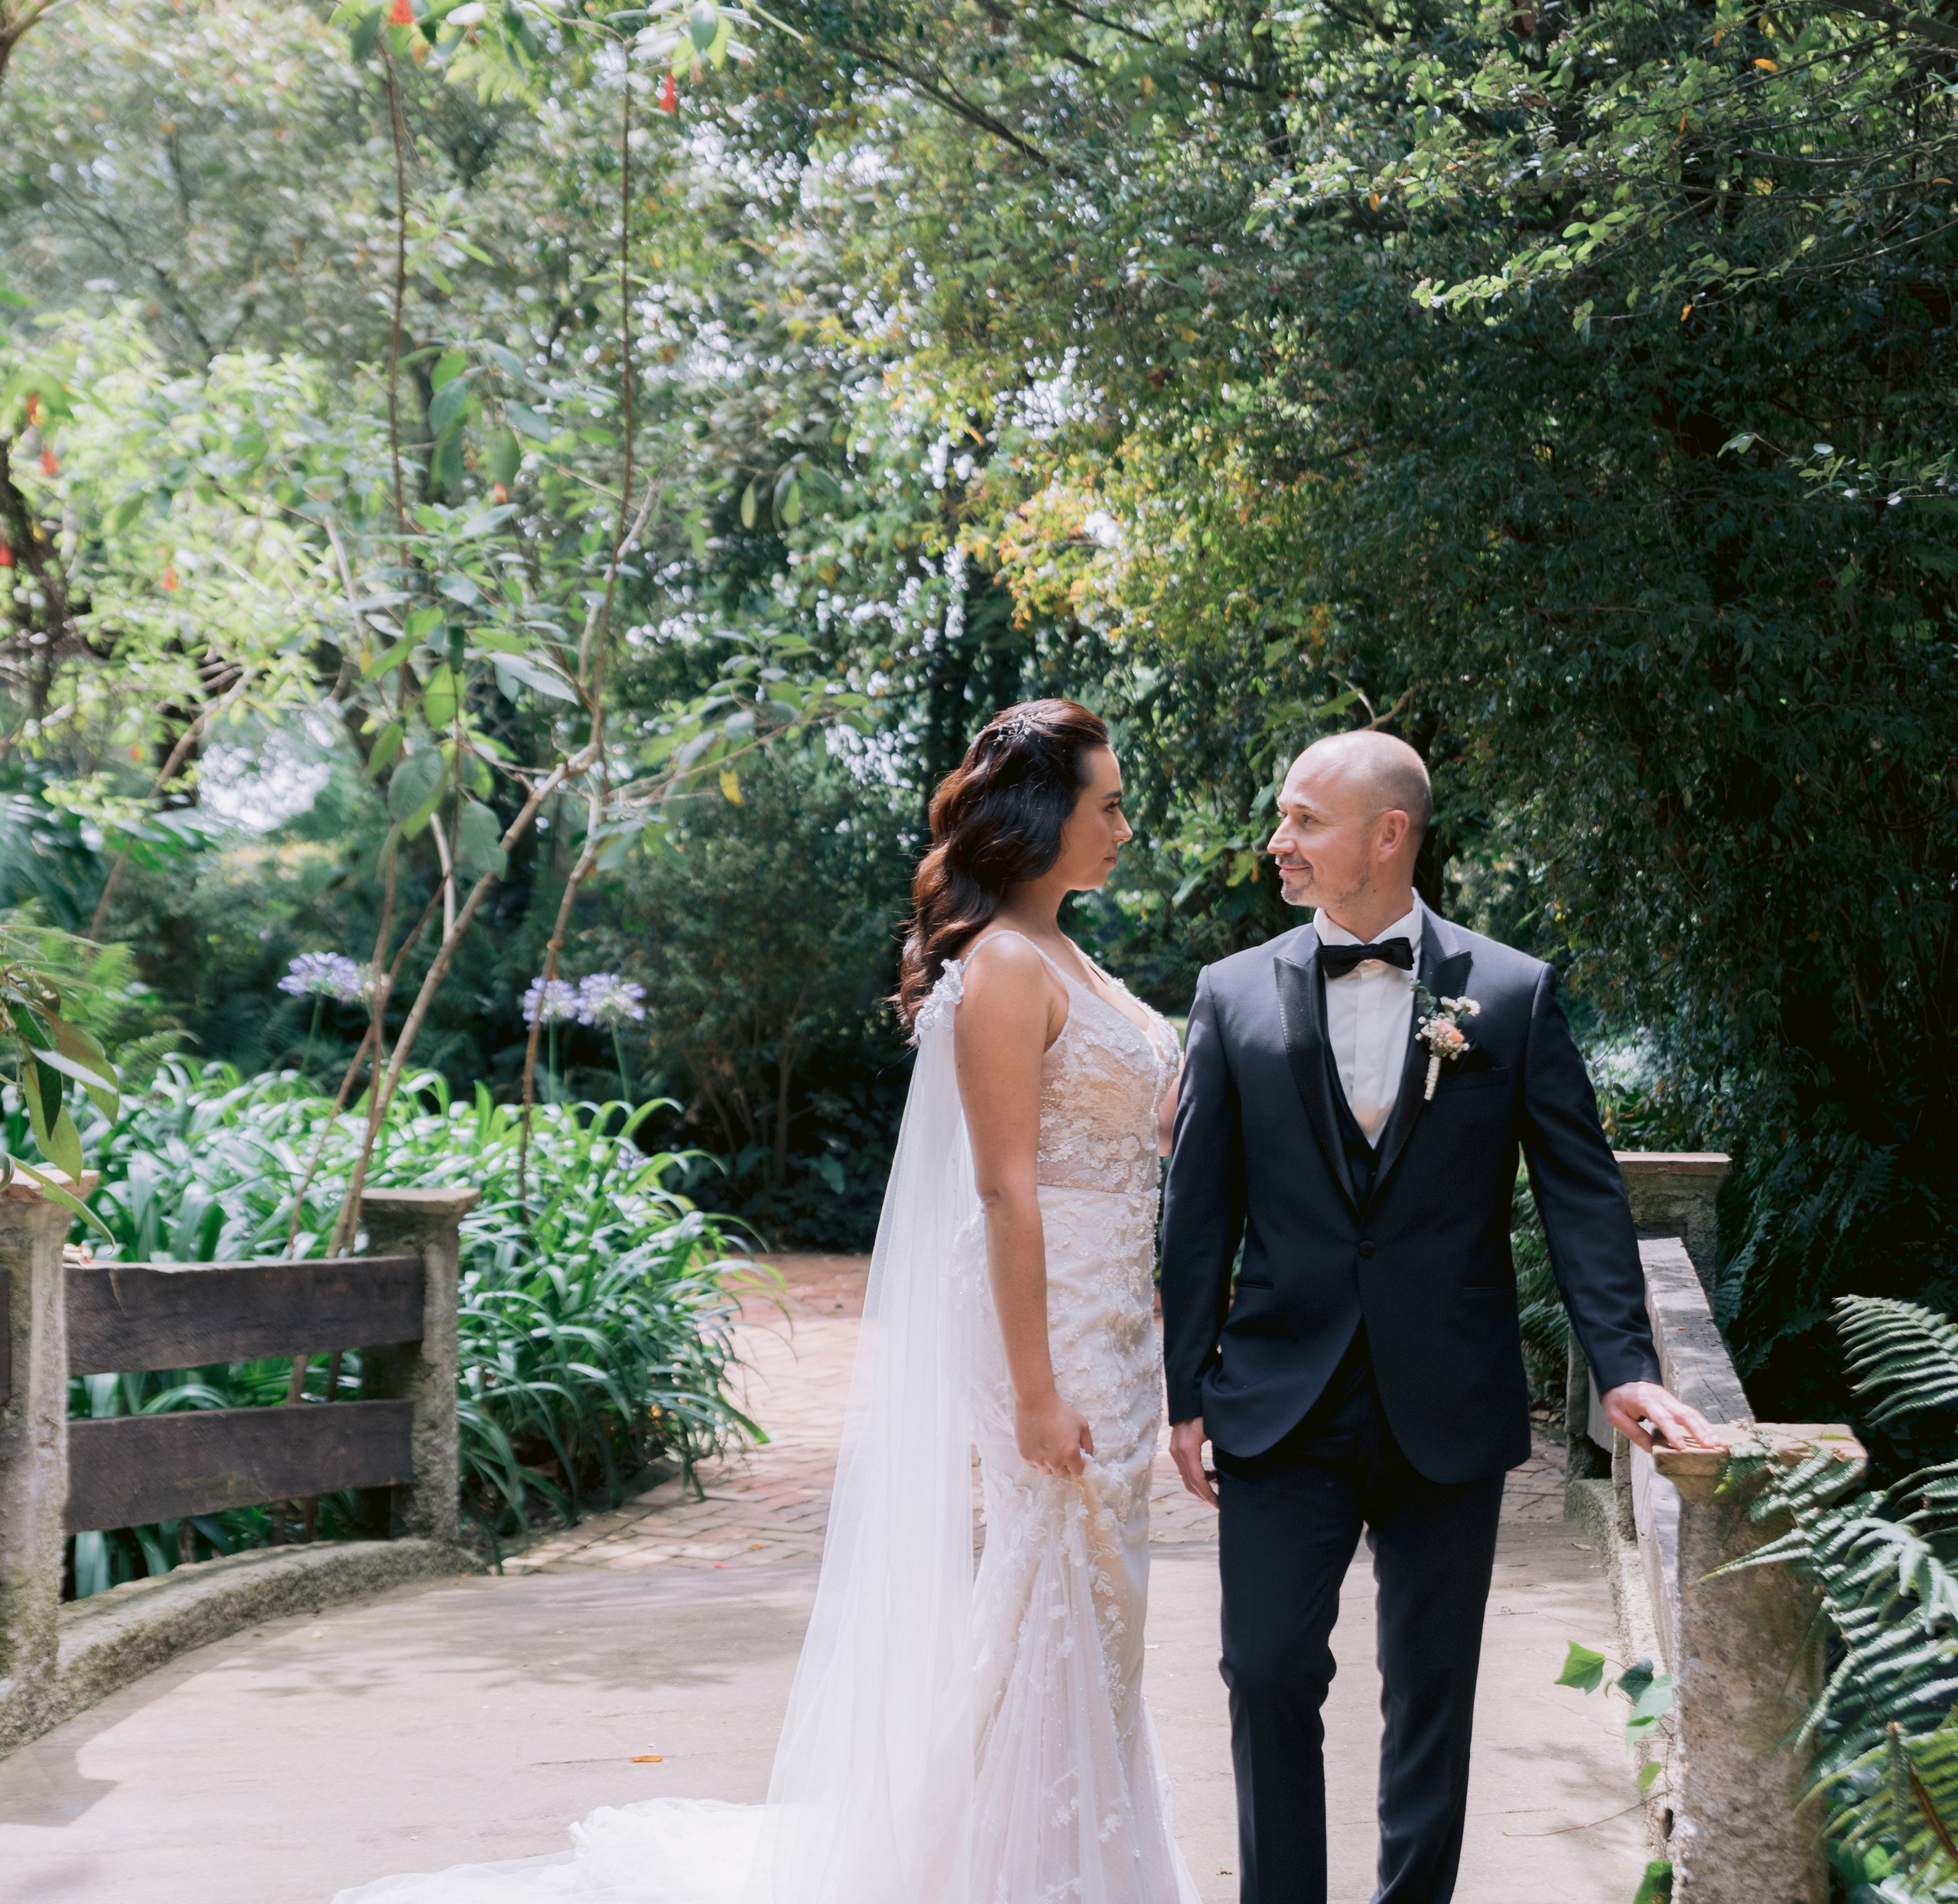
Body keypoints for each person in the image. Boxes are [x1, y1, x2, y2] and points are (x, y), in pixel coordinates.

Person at [331, 699, 1197, 1904]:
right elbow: (1004, 1194)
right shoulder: (1002, 964)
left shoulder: (1070, 953)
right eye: (1106, 805)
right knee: (1061, 1584)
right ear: (1041, 816)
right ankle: (1021, 1867)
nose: (1122, 825)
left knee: (1097, 1603)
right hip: (1042, 1324)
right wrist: (1038, 1394)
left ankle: (1056, 1851)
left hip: (1111, 1319)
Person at [1159, 728, 1715, 1904]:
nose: (1280, 842)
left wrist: (1621, 1362)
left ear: (1389, 834)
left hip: (1446, 1402)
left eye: (1306, 819)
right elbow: (1198, 1211)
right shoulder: (1229, 995)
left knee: (1429, 1694)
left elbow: (1580, 1192)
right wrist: (1184, 1390)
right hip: (1277, 1398)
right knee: (1263, 1672)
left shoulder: (1509, 994)